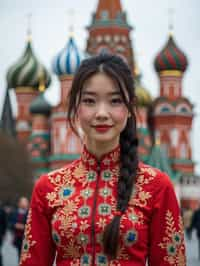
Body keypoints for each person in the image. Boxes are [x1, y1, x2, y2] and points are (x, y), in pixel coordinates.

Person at [19, 54, 186, 266]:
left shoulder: (157, 187)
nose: (101, 113)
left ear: (130, 109)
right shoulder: (49, 188)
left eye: (115, 101)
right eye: (89, 101)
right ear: (76, 108)